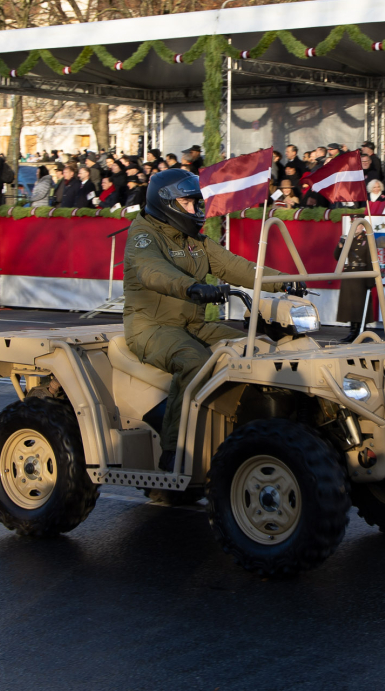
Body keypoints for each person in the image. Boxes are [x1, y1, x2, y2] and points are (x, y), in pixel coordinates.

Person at [122, 169, 293, 471]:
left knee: (256, 348)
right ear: (166, 203)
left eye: (196, 203)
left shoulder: (195, 240)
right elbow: (152, 271)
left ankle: (250, 430)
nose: (194, 210)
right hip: (151, 327)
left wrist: (285, 281)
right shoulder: (143, 235)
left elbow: (234, 266)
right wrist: (192, 287)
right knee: (194, 361)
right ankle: (174, 450)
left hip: (194, 325)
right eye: (187, 203)